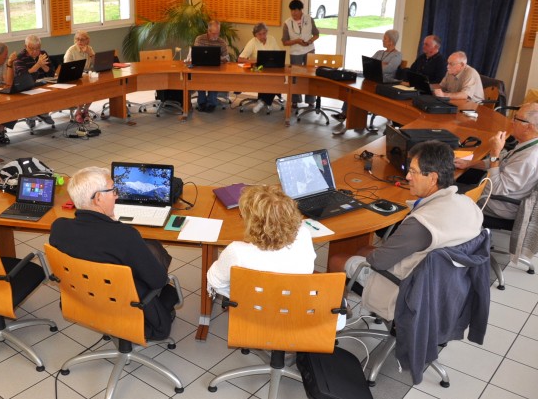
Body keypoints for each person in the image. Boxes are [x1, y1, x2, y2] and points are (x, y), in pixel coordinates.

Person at [329, 140, 483, 321]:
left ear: (433, 178)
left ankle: (337, 318)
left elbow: (378, 262)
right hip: (446, 286)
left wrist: (379, 253)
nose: (408, 177)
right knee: (363, 250)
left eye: (413, 172)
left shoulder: (420, 223)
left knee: (337, 260)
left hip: (406, 291)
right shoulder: (468, 204)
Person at [49, 167, 179, 341]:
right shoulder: (125, 236)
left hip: (84, 304)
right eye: (113, 191)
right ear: (98, 198)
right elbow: (158, 280)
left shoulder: (59, 228)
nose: (117, 196)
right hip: (128, 312)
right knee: (164, 280)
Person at [206, 185, 315, 298]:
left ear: (252, 222)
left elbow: (215, 282)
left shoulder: (236, 251)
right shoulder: (304, 235)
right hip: (297, 304)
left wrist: (240, 295)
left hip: (253, 306)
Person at [454, 102, 538, 228]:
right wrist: (469, 163)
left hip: (496, 205)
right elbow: (501, 161)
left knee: (443, 193)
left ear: (528, 127)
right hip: (488, 190)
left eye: (516, 118)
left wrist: (495, 152)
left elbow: (497, 188)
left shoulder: (529, 158)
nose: (511, 121)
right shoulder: (528, 144)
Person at [337, 29, 401, 120]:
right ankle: (346, 112)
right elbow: (367, 64)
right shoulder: (379, 52)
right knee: (351, 81)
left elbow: (388, 69)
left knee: (358, 88)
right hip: (371, 77)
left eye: (385, 38)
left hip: (383, 81)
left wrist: (377, 65)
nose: (382, 40)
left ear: (391, 41)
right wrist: (381, 64)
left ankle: (347, 113)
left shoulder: (397, 55)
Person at [237, 22, 283, 114]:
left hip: (271, 69)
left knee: (276, 79)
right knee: (271, 80)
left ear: (267, 32)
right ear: (255, 35)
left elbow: (279, 55)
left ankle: (262, 101)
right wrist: (254, 61)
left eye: (264, 33)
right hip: (258, 70)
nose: (262, 36)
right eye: (259, 34)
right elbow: (240, 59)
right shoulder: (252, 42)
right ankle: (264, 101)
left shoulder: (272, 39)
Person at [13, 35, 57, 129]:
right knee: (32, 94)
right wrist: (38, 65)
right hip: (26, 85)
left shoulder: (43, 54)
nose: (35, 52)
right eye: (32, 49)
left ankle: (44, 113)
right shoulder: (19, 57)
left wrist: (43, 65)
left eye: (37, 49)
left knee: (52, 92)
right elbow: (23, 75)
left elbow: (51, 73)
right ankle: (30, 116)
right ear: (26, 46)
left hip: (43, 83)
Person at [282, 0, 319, 107]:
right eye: (292, 10)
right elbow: (284, 42)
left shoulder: (309, 19)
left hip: (309, 50)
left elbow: (316, 34)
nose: (293, 13)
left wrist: (310, 41)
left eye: (296, 10)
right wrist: (296, 41)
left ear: (301, 10)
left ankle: (311, 100)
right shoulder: (287, 23)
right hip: (295, 52)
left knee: (310, 75)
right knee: (295, 76)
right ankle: (295, 100)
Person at [192, 20, 230, 112]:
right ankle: (201, 102)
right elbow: (196, 54)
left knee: (214, 78)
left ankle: (211, 103)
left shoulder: (222, 42)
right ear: (208, 31)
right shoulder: (200, 39)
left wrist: (220, 58)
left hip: (215, 68)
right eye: (213, 33)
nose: (216, 36)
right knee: (200, 77)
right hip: (201, 67)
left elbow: (227, 58)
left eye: (217, 33)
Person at [64, 30, 96, 123]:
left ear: (87, 41)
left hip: (86, 77)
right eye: (77, 39)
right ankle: (78, 111)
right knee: (83, 89)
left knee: (94, 88)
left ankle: (85, 110)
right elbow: (66, 68)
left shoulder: (89, 48)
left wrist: (90, 54)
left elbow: (96, 64)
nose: (79, 42)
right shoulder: (71, 50)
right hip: (73, 77)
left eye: (82, 40)